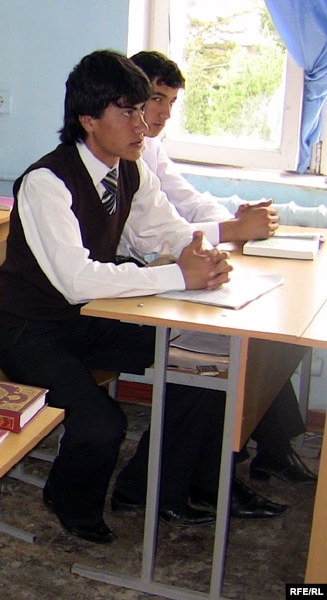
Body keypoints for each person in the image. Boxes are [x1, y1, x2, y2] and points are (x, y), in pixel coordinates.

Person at [0, 50, 284, 545]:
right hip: (31, 332)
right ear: (88, 119)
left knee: (203, 363)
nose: (142, 125)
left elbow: (165, 230)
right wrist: (179, 275)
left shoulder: (130, 170)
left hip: (89, 321)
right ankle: (68, 500)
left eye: (142, 111)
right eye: (127, 112)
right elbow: (76, 281)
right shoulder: (45, 182)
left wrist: (202, 255)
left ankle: (162, 486)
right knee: (102, 423)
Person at [130, 50, 316, 485]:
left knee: (266, 334)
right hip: (137, 280)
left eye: (171, 103)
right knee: (224, 344)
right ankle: (192, 475)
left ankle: (264, 450)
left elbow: (189, 201)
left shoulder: (150, 147)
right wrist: (232, 228)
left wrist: (236, 223)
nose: (164, 113)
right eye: (156, 99)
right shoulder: (122, 154)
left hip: (166, 269)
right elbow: (153, 234)